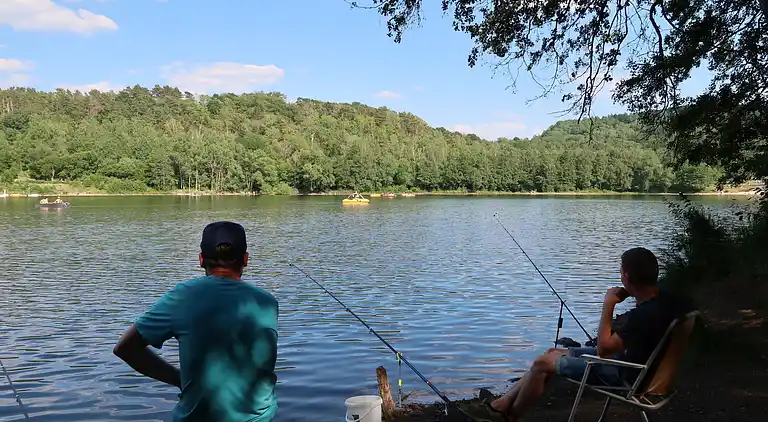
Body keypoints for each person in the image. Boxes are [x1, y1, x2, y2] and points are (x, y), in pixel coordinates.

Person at [478, 247, 693, 422]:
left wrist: (608, 305)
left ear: (626, 276)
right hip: (640, 367)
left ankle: (508, 416)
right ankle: (501, 406)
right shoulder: (668, 300)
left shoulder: (644, 316)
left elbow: (604, 349)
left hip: (626, 375)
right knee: (554, 351)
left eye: (621, 272)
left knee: (543, 363)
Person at [113, 221, 279, 422]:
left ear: (201, 259)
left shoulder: (182, 297)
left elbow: (125, 348)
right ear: (245, 258)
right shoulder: (267, 302)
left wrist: (178, 379)